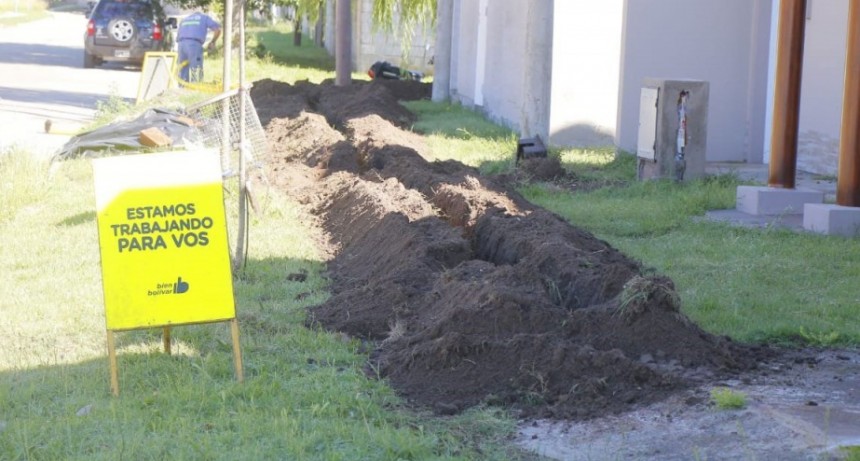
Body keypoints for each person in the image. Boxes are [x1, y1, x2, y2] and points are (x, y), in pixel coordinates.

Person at [176, 9, 221, 83]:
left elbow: (178, 36)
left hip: (181, 44)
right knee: (196, 68)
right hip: (194, 45)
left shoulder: (185, 19)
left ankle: (182, 89)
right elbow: (217, 29)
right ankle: (197, 88)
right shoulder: (204, 18)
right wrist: (213, 42)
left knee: (182, 69)